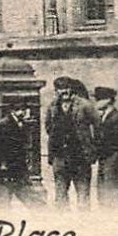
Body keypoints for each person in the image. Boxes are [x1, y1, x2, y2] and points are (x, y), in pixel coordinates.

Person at [45, 78, 97, 208]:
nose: (64, 92)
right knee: (60, 196)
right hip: (59, 157)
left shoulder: (85, 105)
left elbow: (98, 126)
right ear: (56, 91)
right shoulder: (52, 107)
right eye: (60, 89)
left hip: (80, 157)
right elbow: (48, 127)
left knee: (83, 195)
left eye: (66, 88)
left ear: (71, 89)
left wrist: (91, 147)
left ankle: (83, 223)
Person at [0, 102, 38, 208]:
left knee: (32, 202)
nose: (24, 113)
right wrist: (2, 160)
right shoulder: (2, 125)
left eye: (24, 110)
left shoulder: (22, 124)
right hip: (4, 173)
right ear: (13, 111)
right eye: (21, 110)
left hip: (18, 172)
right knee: (3, 206)